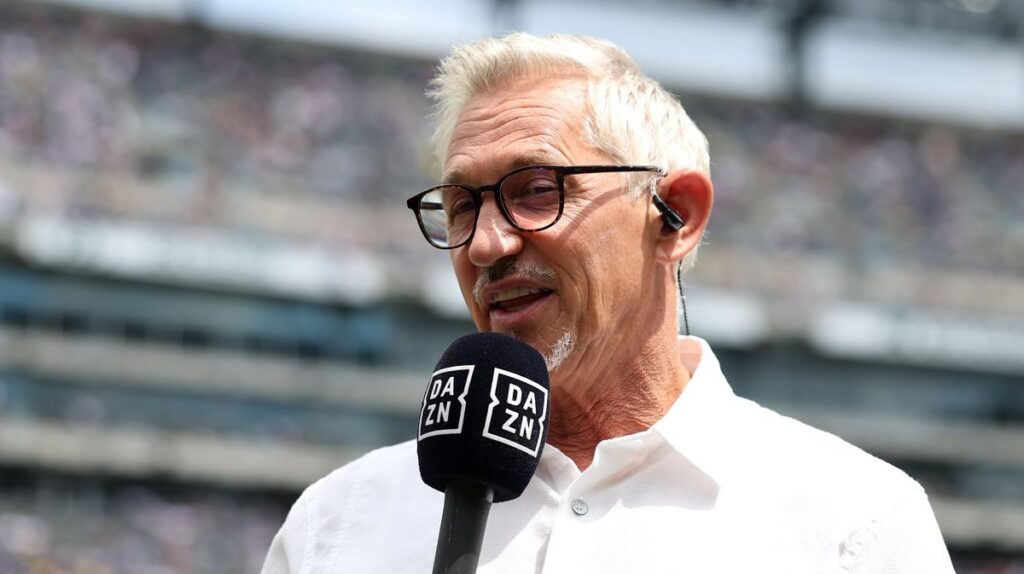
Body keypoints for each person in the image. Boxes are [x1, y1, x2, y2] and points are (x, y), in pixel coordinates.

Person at [261, 33, 954, 573]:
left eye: (536, 189)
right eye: (463, 204)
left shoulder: (853, 524)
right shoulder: (337, 523)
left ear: (674, 214)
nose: (485, 245)